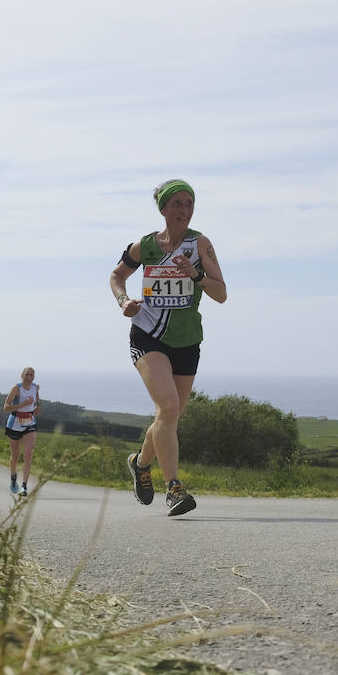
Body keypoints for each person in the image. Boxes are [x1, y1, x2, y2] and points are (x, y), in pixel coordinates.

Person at [109, 179, 228, 517]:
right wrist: (123, 302)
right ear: (163, 209)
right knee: (169, 406)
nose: (185, 209)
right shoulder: (144, 246)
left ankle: (140, 463)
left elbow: (221, 293)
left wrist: (197, 275)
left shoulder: (200, 244)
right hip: (148, 335)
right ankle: (174, 488)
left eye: (189, 203)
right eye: (177, 203)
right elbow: (116, 277)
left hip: (187, 340)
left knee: (169, 416)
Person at [3, 367, 41, 495]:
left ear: (34, 377)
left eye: (31, 375)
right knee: (15, 456)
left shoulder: (36, 387)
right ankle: (13, 478)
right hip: (14, 424)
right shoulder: (16, 388)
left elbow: (37, 400)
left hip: (30, 423)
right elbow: (6, 408)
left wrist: (36, 407)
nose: (29, 377)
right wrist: (23, 404)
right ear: (22, 376)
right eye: (27, 375)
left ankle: (24, 486)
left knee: (28, 455)